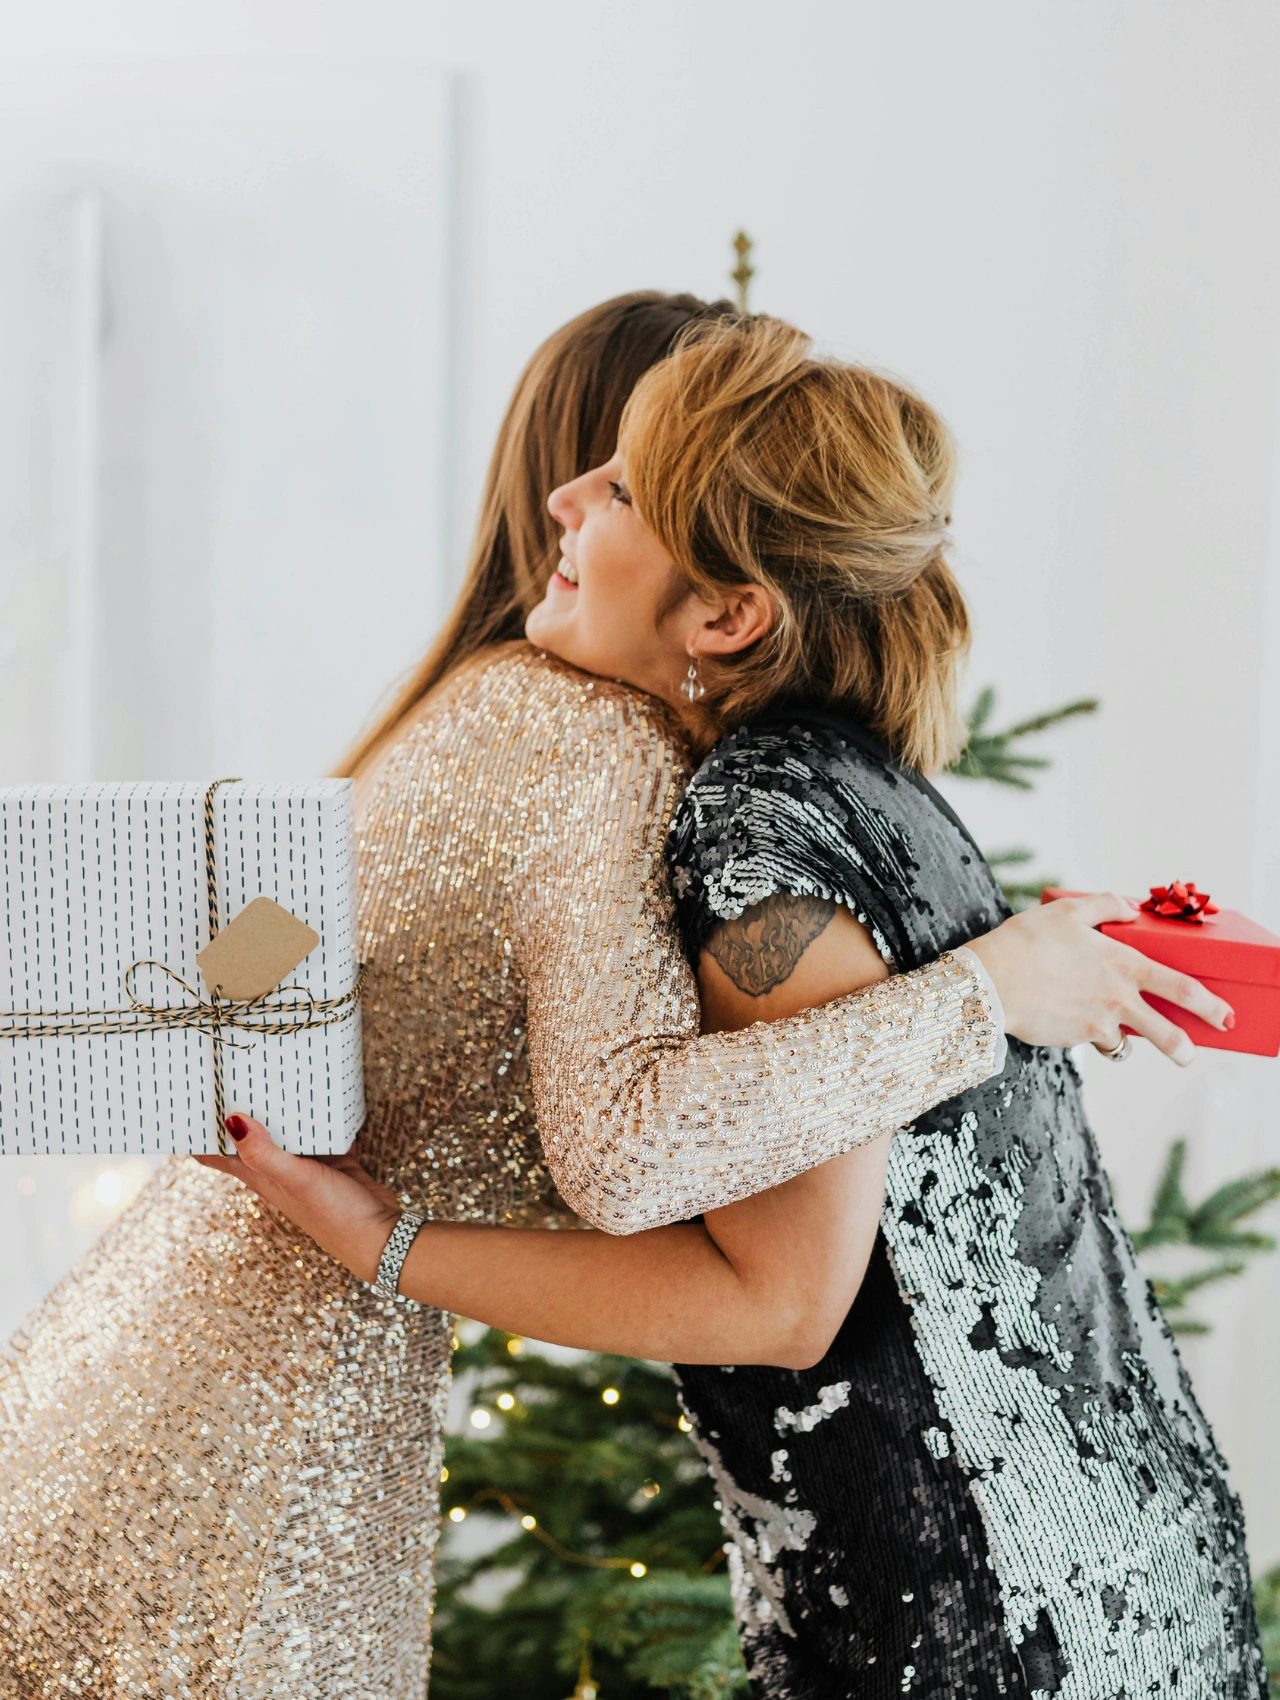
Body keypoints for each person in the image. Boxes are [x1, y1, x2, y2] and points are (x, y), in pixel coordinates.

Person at [0, 290, 1137, 1696]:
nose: (568, 501)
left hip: (130, 1373)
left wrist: (217, 1071)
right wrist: (984, 995)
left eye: (623, 484)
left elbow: (264, 941)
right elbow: (638, 1143)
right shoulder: (585, 740)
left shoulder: (482, 702)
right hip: (241, 1453)